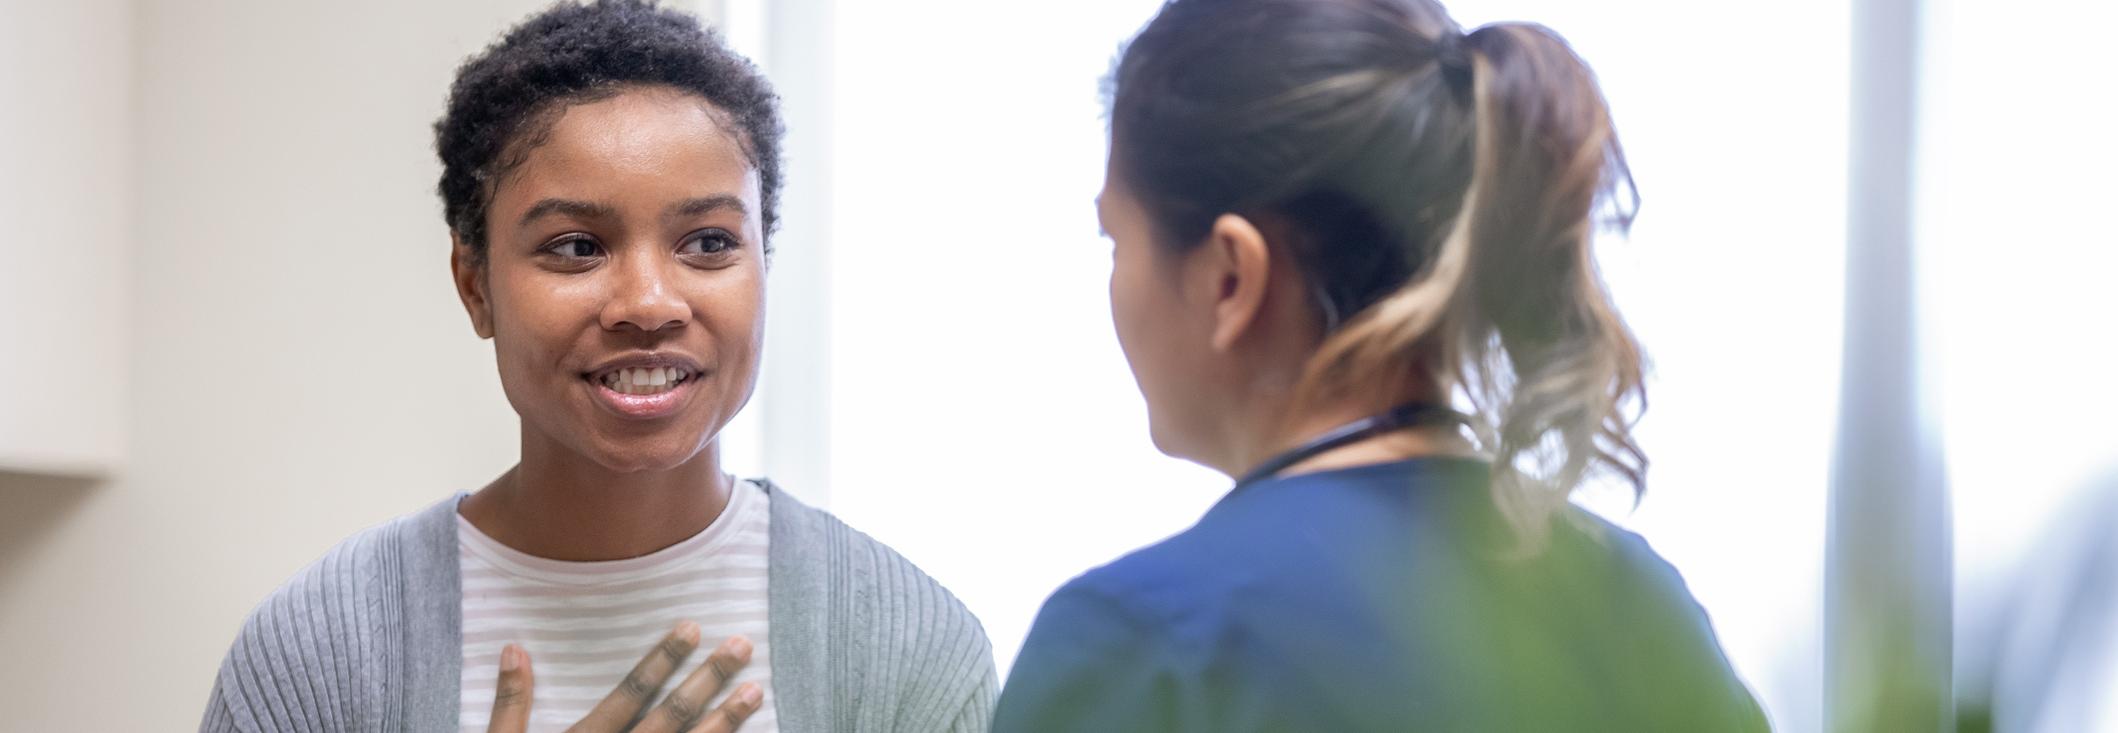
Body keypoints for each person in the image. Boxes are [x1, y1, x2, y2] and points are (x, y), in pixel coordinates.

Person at [199, 2, 995, 731]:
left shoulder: (907, 648)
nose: (648, 303)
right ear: (475, 287)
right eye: (577, 246)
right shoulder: (317, 660)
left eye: (709, 243)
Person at [991, 0, 1770, 730]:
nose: (1115, 280)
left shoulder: (1137, 648)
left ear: (1231, 277)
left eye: (1115, 241)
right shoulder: (1640, 607)